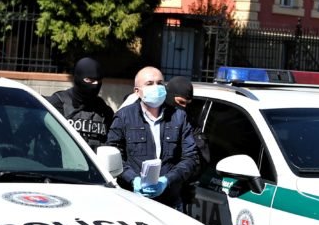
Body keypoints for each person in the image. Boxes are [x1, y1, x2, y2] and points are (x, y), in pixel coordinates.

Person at [106, 66, 199, 210]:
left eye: (159, 83)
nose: (156, 87)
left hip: (170, 202)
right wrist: (133, 179)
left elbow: (190, 158)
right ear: (137, 91)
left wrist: (167, 180)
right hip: (133, 201)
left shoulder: (179, 117)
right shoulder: (124, 117)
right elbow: (114, 156)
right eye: (149, 83)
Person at [164, 76, 210, 210]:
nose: (184, 107)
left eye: (187, 103)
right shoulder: (152, 118)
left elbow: (200, 158)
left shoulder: (190, 124)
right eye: (180, 102)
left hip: (176, 193)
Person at [48, 57, 114, 150]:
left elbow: (112, 145)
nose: (95, 85)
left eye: (98, 81)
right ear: (78, 78)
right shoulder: (57, 103)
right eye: (89, 80)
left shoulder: (105, 111)